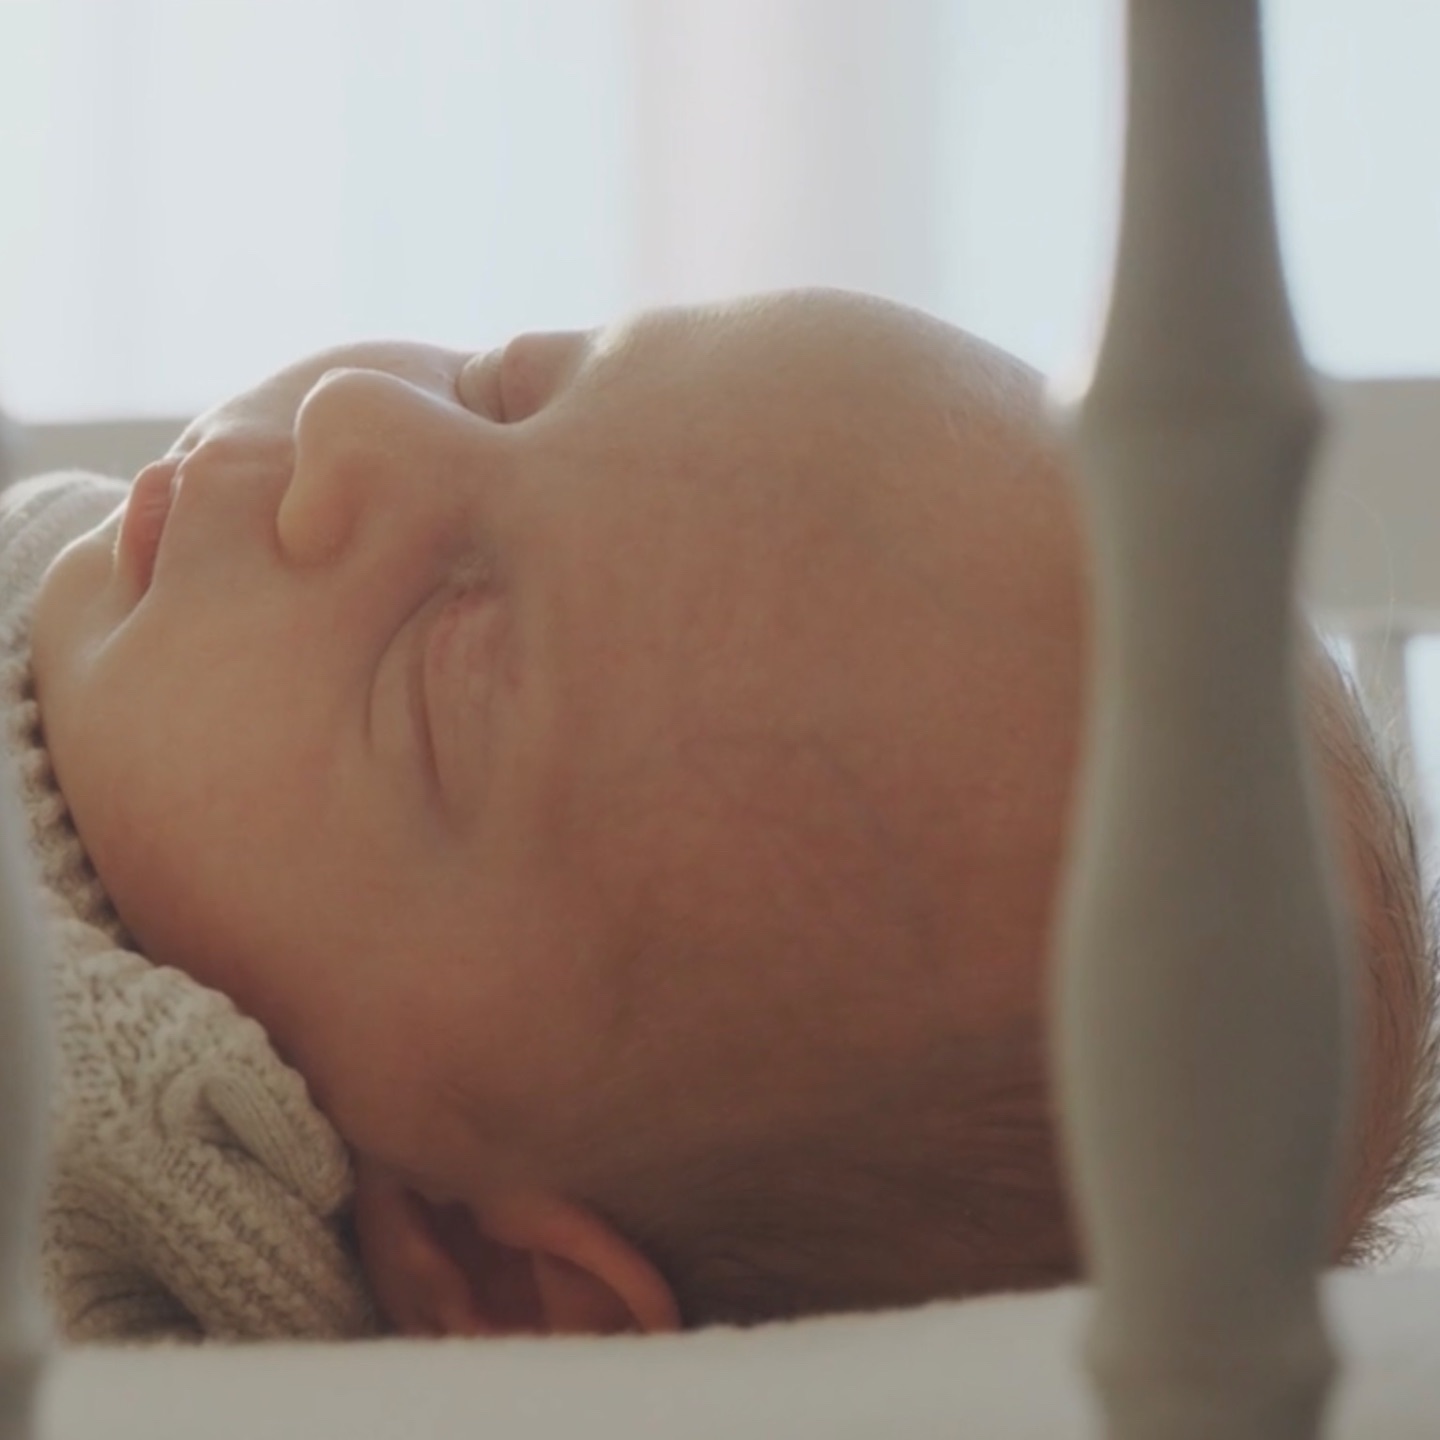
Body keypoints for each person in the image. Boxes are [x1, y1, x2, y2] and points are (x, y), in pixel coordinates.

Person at [13, 288, 1440, 1340]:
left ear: (486, 1274)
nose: (355, 423)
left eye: (441, 666)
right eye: (506, 383)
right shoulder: (105, 574)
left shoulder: (98, 1202)